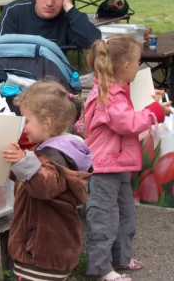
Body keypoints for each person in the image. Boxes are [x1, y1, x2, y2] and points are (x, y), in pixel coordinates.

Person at [76, 35, 172, 281]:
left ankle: (119, 258)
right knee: (104, 218)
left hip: (116, 165)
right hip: (103, 168)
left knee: (125, 214)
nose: (139, 67)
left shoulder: (116, 90)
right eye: (138, 62)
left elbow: (128, 114)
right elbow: (127, 123)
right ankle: (101, 267)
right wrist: (155, 112)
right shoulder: (109, 96)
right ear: (125, 66)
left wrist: (150, 101)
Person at [1, 79, 93, 281]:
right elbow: (32, 180)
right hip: (51, 250)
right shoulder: (58, 150)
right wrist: (14, 165)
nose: (23, 126)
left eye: (27, 120)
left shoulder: (55, 156)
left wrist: (23, 161)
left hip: (40, 253)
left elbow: (44, 185)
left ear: (47, 122)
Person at [0, 0, 101, 48]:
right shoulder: (14, 12)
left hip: (53, 81)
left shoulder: (67, 17)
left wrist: (69, 6)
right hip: (16, 79)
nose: (50, 3)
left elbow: (93, 41)